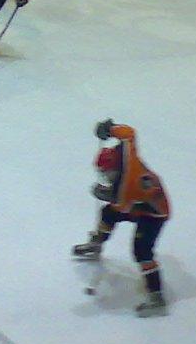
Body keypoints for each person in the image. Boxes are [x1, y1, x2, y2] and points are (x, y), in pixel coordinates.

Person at [72, 120, 171, 317]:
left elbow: (121, 204)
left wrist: (106, 195)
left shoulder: (125, 186)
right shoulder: (126, 158)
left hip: (154, 213)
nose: (106, 177)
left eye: (107, 173)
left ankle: (156, 295)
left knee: (142, 251)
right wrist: (110, 129)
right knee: (108, 213)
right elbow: (128, 134)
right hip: (140, 203)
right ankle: (96, 244)